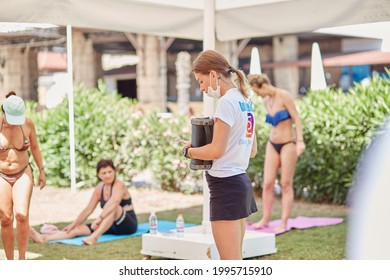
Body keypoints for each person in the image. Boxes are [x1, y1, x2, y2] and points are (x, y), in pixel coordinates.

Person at [181, 50, 258, 260]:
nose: (202, 88)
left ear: (213, 75)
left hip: (225, 186)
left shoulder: (225, 103)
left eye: (201, 81)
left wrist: (189, 151)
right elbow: (252, 150)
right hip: (240, 183)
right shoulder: (245, 101)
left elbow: (216, 150)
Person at [29, 159, 138, 245]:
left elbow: (115, 202)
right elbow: (88, 209)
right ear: (99, 175)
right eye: (104, 173)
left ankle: (93, 238)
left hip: (127, 224)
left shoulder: (119, 184)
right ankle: (44, 238)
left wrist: (99, 219)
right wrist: (74, 224)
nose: (108, 175)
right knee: (78, 229)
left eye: (110, 171)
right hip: (108, 224)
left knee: (115, 207)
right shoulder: (99, 188)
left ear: (114, 172)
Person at [248, 73, 305, 233]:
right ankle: (265, 219)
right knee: (267, 184)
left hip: (288, 143)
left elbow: (297, 119)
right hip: (272, 143)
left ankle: (284, 221)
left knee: (286, 184)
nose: (258, 96)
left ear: (263, 86)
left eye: (257, 92)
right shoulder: (267, 101)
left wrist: (300, 141)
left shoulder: (284, 96)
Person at [0, 92, 46, 260]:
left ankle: (22, 259)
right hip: (1, 175)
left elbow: (34, 147)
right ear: (3, 112)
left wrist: (41, 170)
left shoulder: (27, 124)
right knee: (5, 218)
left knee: (22, 215)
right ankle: (10, 261)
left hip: (22, 172)